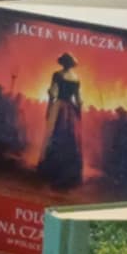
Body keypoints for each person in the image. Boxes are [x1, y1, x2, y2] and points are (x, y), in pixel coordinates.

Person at [37, 52, 85, 189]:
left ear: (63, 63)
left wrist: (49, 108)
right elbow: (78, 99)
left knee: (55, 134)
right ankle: (67, 172)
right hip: (70, 108)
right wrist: (78, 112)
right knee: (69, 137)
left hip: (59, 107)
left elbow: (52, 93)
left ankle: (52, 169)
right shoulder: (76, 78)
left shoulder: (57, 74)